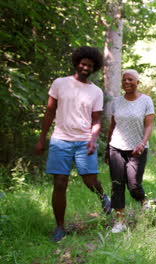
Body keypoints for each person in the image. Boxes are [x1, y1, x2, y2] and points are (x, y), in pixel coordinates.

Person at [34, 46, 111, 242]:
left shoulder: (96, 92)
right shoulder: (60, 83)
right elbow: (50, 112)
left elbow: (96, 120)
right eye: (83, 64)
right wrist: (42, 138)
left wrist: (93, 139)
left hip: (84, 142)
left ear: (94, 69)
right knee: (59, 183)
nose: (86, 68)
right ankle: (60, 227)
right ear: (77, 63)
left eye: (90, 66)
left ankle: (103, 197)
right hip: (60, 140)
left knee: (90, 181)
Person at [105, 69, 154, 233]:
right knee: (117, 184)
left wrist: (143, 143)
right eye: (124, 80)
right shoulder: (116, 102)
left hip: (137, 150)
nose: (126, 82)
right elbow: (113, 125)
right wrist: (107, 148)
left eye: (130, 79)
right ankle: (120, 221)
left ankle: (144, 201)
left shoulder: (146, 101)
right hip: (116, 148)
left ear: (137, 82)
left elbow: (149, 125)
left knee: (133, 185)